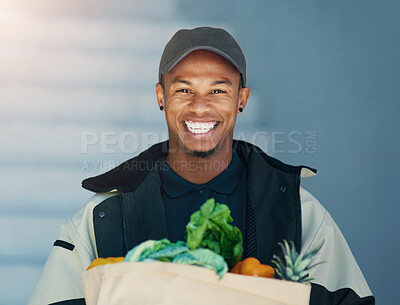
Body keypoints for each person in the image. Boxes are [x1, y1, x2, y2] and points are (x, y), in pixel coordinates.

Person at [28, 26, 375, 305]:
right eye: (183, 90)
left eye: (218, 91)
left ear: (242, 99)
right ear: (161, 96)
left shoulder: (298, 211)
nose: (199, 107)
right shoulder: (104, 215)